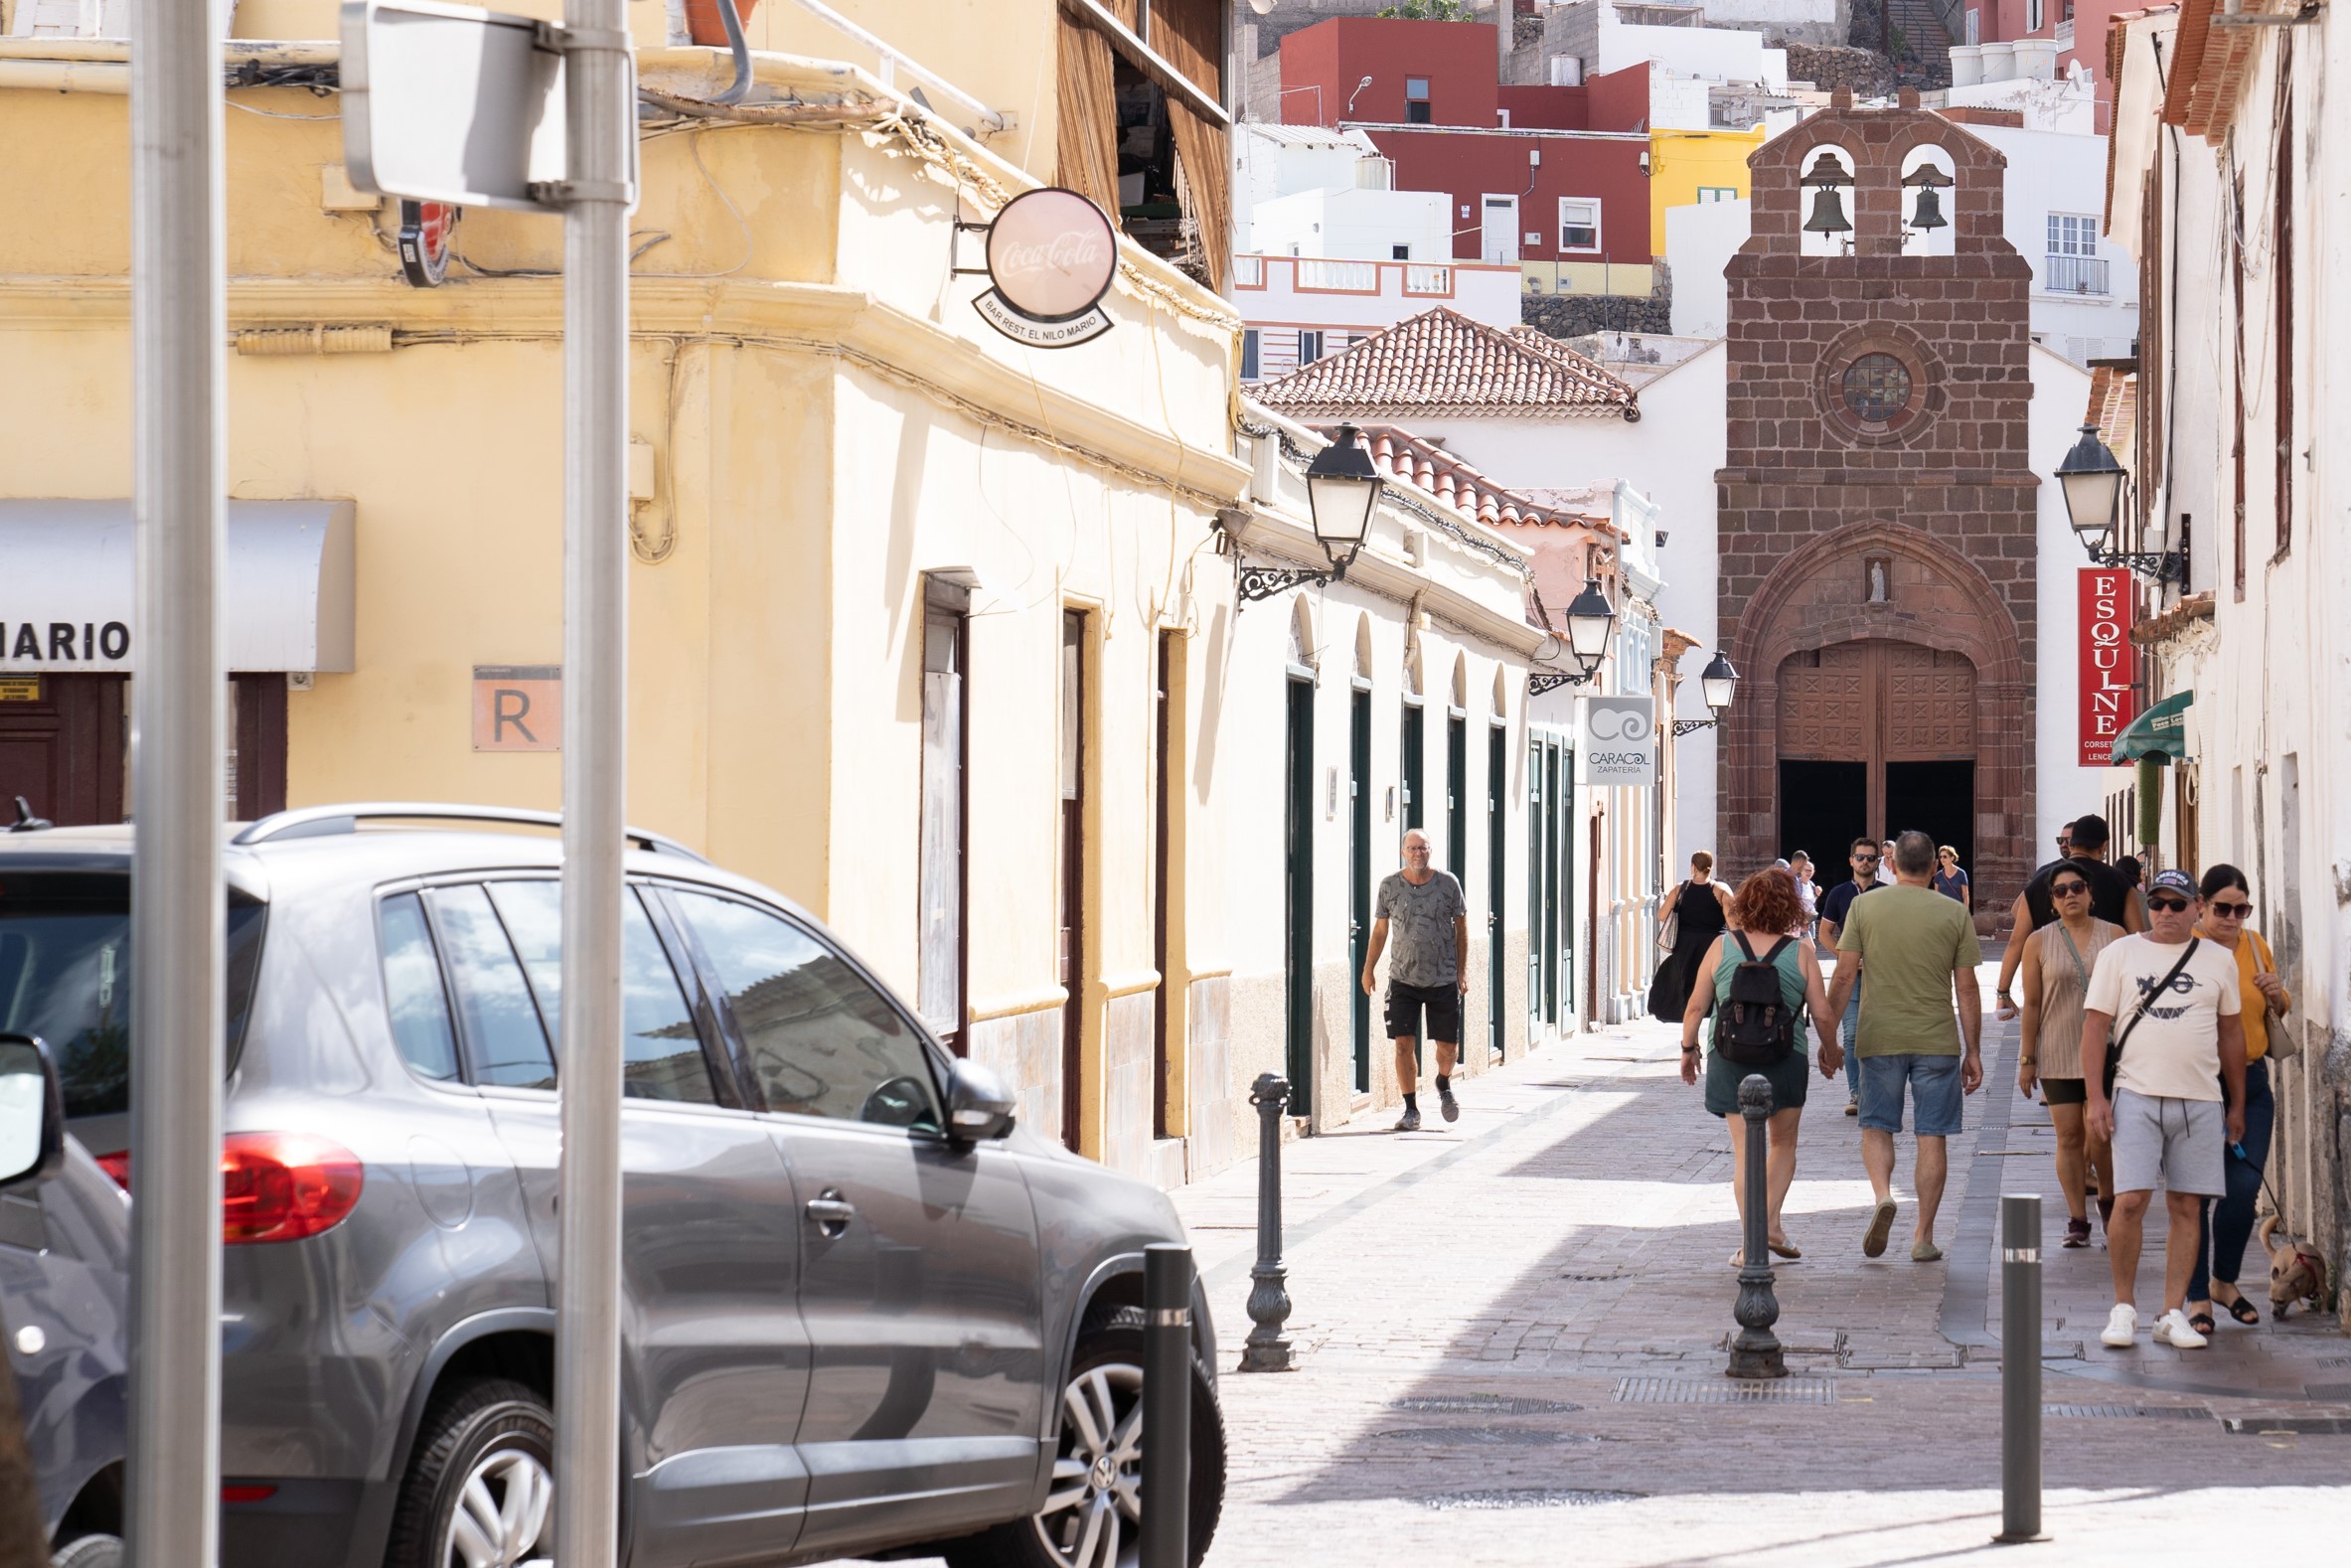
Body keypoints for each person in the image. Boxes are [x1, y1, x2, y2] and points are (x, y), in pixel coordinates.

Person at [2083, 869, 2248, 1350]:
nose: (2167, 913)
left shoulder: (2219, 959)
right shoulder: (2120, 954)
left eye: (2178, 904)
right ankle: (2123, 1308)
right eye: (2158, 903)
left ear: (2197, 906)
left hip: (2200, 1098)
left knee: (2187, 1205)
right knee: (2130, 1200)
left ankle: (2172, 1311)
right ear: (2147, 905)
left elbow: (2231, 1033)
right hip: (2135, 1092)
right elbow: (2095, 1028)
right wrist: (2097, 1097)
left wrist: (2236, 1103)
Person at [1824, 831, 1982, 1261]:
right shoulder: (1953, 912)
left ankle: (1882, 1195)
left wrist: (1828, 1039)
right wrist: (1974, 1050)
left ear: (1891, 867)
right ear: (1934, 868)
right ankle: (1923, 1236)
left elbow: (1842, 976)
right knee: (1933, 1136)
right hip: (1936, 1039)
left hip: (1880, 1036)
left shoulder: (1863, 905)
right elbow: (1966, 989)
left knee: (1876, 1126)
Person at [1679, 868, 1842, 1265]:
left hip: (1730, 1057)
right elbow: (1821, 1013)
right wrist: (1831, 1051)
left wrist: (1688, 1048)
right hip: (1785, 1057)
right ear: (1790, 907)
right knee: (1782, 1145)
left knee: (1743, 1153)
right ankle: (1769, 1226)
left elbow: (1697, 1005)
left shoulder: (1721, 947)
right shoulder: (1801, 951)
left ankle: (1751, 1243)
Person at [2184, 864, 2289, 1335]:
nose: (2231, 917)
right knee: (2196, 1194)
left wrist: (2278, 995)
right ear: (2202, 905)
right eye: (2222, 908)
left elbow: (2274, 1009)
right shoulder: (2184, 947)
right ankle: (2197, 1297)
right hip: (2198, 1083)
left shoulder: (2254, 945)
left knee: (2243, 1191)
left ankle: (2224, 1280)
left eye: (2240, 908)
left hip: (2252, 1080)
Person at [2017, 865, 2123, 1247]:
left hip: (2107, 1053)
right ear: (2052, 902)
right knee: (2069, 1135)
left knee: (2102, 1135)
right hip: (2058, 1049)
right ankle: (2078, 1219)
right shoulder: (2038, 942)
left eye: (2077, 887)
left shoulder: (2115, 937)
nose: (2069, 895)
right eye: (2060, 891)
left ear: (2090, 893)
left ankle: (2108, 1202)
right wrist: (2027, 1059)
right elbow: (2031, 1003)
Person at [1361, 828, 1470, 1132]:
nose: (1417, 853)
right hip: (1402, 979)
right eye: (1412, 848)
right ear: (1403, 852)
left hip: (1443, 978)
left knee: (1448, 1048)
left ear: (1430, 851)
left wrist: (1462, 971)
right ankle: (1411, 1109)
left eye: (1422, 848)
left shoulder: (1448, 884)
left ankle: (1442, 1080)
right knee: (1402, 1045)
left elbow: (1462, 927)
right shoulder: (1389, 886)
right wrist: (1369, 968)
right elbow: (1380, 930)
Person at [1995, 813, 2146, 1022]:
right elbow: (2138, 938)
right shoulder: (2120, 881)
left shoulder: (2042, 878)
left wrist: (2003, 992)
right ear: (2103, 847)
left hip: (2050, 984)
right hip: (2107, 988)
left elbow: (2016, 940)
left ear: (2071, 844)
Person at [1815, 837, 1881, 1116]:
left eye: (1870, 858)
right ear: (1851, 860)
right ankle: (1856, 1092)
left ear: (1877, 862)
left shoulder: (1886, 893)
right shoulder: (1839, 894)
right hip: (1850, 976)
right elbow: (1824, 933)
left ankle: (1876, 1090)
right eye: (1860, 857)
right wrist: (1845, 956)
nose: (1865, 861)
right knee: (1852, 1035)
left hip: (1881, 977)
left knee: (1879, 1036)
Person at [1646, 852, 1732, 1022]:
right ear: (1711, 867)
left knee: (1687, 985)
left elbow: (1661, 915)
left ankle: (1690, 1030)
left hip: (1685, 947)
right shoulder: (1722, 890)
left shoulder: (1680, 889)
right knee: (1710, 985)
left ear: (1693, 867)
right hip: (1713, 946)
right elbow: (1734, 923)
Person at [1789, 852, 1820, 937]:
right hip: (1795, 921)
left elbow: (1810, 901)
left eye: (1811, 870)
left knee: (1810, 948)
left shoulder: (1808, 883)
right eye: (1805, 868)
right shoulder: (1791, 879)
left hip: (1806, 920)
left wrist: (1817, 895)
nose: (1808, 872)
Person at [1933, 846, 1970, 910]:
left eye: (1945, 856)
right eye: (1940, 857)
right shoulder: (1938, 875)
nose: (1942, 859)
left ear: (1952, 858)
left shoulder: (1961, 873)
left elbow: (1965, 895)